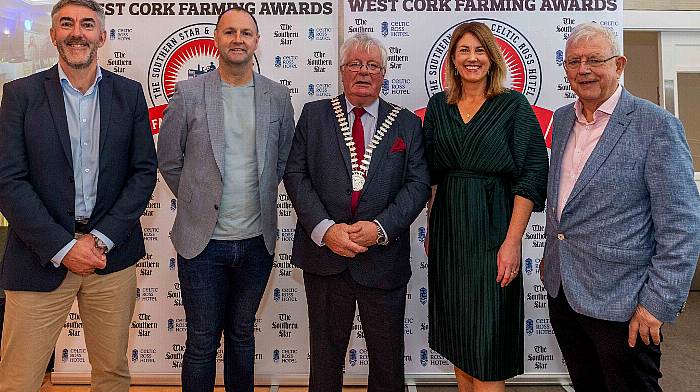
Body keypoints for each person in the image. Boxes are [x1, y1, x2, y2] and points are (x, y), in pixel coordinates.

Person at [0, 0, 158, 389]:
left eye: (87, 25)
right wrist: (62, 246)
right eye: (66, 24)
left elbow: (143, 173)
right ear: (53, 34)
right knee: (19, 377)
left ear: (102, 36)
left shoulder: (130, 94)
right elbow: (9, 180)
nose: (77, 33)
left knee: (112, 374)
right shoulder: (20, 95)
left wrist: (99, 239)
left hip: (110, 257)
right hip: (38, 257)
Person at [542, 22, 700, 392]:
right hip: (565, 293)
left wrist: (657, 305)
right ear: (565, 69)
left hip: (625, 304)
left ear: (619, 64)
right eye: (574, 61)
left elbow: (682, 226)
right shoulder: (563, 119)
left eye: (595, 60)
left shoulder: (657, 126)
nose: (584, 69)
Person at [157, 6, 295, 392]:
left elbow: (283, 159)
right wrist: (197, 199)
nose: (238, 39)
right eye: (230, 32)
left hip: (256, 243)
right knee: (201, 342)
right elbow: (168, 159)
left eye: (246, 33)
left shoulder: (278, 96)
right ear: (216, 39)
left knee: (242, 336)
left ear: (256, 41)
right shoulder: (189, 92)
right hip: (202, 245)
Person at [283, 33, 431, 392]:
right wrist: (324, 229)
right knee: (325, 360)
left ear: (384, 73)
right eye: (355, 64)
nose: (363, 72)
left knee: (387, 363)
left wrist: (381, 228)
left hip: (383, 259)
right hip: (325, 258)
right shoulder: (314, 114)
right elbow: (295, 174)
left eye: (372, 66)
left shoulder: (407, 124)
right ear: (341, 71)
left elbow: (417, 185)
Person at [423, 22, 549, 392]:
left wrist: (512, 243)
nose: (472, 58)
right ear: (453, 60)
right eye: (464, 50)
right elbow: (431, 174)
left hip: (495, 231)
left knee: (489, 345)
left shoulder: (513, 106)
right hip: (448, 230)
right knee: (458, 337)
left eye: (479, 50)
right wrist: (432, 227)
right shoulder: (438, 106)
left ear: (492, 59)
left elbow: (531, 174)